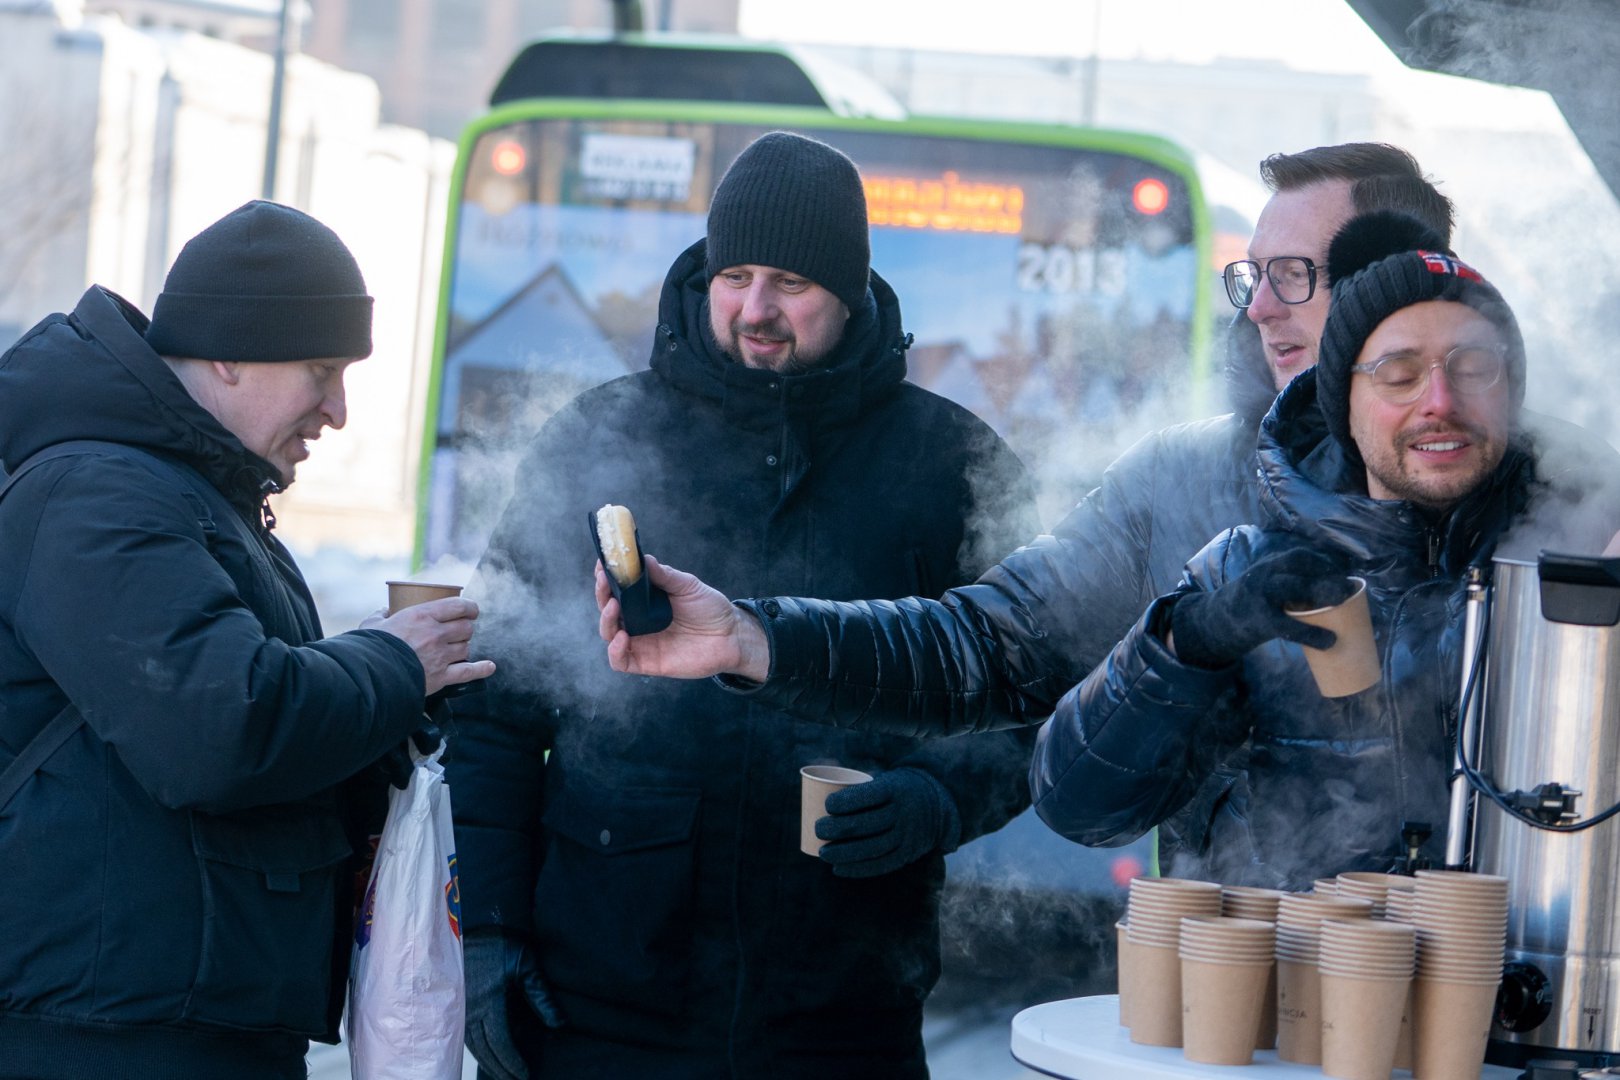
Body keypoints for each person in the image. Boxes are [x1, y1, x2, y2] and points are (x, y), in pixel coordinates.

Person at [594, 145, 1455, 864]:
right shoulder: (1177, 480)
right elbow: (983, 648)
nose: (1262, 308)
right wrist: (751, 637)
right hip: (1222, 1002)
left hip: (1468, 1010)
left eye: (1295, 276)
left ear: (1400, 283)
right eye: (1253, 278)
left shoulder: (1551, 496)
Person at [448, 131, 1039, 1080]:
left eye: (793, 284)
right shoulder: (598, 441)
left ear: (849, 293)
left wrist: (944, 797)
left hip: (841, 1010)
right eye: (738, 276)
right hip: (602, 1002)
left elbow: (1031, 686)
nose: (757, 309)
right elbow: (496, 702)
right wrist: (489, 929)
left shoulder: (953, 466)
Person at [0, 201, 493, 1079]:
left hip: (181, 1026)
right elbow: (219, 731)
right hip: (104, 1039)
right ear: (229, 352)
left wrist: (395, 716)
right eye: (321, 369)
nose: (337, 410)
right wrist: (393, 664)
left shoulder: (187, 496)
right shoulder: (99, 491)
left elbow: (258, 730)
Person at [1028, 210, 1620, 885]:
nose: (1440, 401)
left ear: (1509, 391)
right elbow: (1078, 809)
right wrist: (1187, 642)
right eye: (1399, 374)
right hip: (1298, 977)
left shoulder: (1582, 552)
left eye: (1475, 368)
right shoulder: (1248, 567)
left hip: (1526, 975)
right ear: (1344, 401)